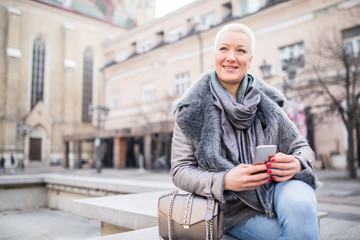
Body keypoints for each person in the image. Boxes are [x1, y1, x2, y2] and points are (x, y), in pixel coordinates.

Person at [170, 23, 320, 240]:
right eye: (224, 49)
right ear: (215, 55)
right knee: (295, 233)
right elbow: (180, 170)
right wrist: (224, 181)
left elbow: (302, 148)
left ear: (250, 59)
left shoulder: (270, 103)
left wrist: (296, 163)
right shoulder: (191, 110)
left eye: (240, 50)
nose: (231, 57)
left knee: (300, 208)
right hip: (233, 207)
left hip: (280, 186)